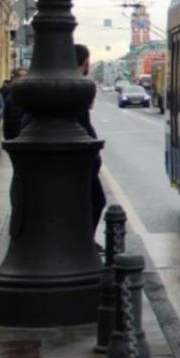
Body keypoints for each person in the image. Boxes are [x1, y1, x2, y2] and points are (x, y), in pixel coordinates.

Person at [76, 45, 107, 238]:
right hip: (79, 164)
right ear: (86, 61)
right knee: (94, 201)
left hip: (80, 162)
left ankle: (83, 241)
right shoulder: (79, 85)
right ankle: (83, 242)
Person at [1, 67, 27, 141]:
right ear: (14, 78)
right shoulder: (11, 93)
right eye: (22, 76)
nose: (26, 79)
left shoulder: (26, 92)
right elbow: (10, 118)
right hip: (17, 136)